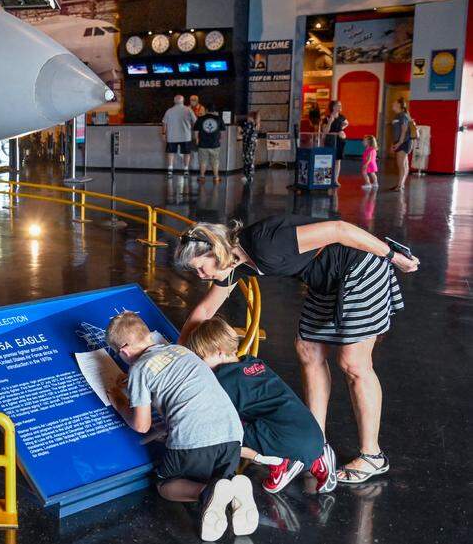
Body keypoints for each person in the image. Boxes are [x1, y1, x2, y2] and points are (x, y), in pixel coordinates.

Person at [174, 216, 419, 486]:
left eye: (200, 268)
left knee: (354, 363)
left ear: (215, 251)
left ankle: (372, 455)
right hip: (325, 278)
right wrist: (180, 356)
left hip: (360, 268)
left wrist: (393, 256)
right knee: (308, 350)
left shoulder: (265, 244)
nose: (201, 276)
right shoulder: (235, 264)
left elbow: (339, 229)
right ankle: (315, 447)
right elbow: (205, 311)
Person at [106, 312, 257, 541]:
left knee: (166, 485)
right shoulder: (182, 350)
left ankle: (206, 492)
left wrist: (118, 401)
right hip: (232, 435)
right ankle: (234, 491)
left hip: (195, 438)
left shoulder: (139, 369)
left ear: (125, 350)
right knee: (220, 482)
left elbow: (142, 425)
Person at [184, 317, 336, 494]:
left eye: (201, 358)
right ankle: (314, 460)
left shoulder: (222, 380)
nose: (201, 364)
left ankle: (281, 462)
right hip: (312, 432)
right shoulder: (253, 363)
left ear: (218, 352)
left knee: (222, 436)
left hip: (287, 438)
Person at [162, 95, 196, 176]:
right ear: (183, 101)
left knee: (171, 153)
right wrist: (194, 131)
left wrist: (163, 133)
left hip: (171, 136)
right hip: (185, 136)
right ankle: (186, 169)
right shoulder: (188, 110)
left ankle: (170, 169)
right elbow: (195, 121)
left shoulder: (169, 111)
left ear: (174, 101)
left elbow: (164, 123)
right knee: (187, 153)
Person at [389, 98, 413, 192]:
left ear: (399, 104)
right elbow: (395, 131)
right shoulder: (397, 115)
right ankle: (401, 184)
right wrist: (393, 143)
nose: (392, 104)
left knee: (401, 165)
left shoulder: (402, 115)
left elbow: (404, 129)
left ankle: (400, 185)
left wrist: (399, 143)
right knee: (404, 164)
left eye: (394, 102)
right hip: (400, 142)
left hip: (404, 142)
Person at [194, 111, 226, 183]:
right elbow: (223, 131)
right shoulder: (219, 118)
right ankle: (216, 177)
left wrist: (197, 139)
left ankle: (202, 177)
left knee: (203, 161)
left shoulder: (200, 118)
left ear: (206, 110)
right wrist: (220, 139)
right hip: (215, 144)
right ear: (214, 111)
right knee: (215, 161)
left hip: (203, 143)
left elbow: (196, 130)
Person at [324, 101, 348, 187]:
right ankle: (327, 178)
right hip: (330, 140)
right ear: (334, 107)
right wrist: (330, 121)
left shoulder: (342, 117)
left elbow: (346, 123)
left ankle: (335, 180)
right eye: (339, 105)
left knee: (338, 161)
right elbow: (325, 132)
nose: (341, 106)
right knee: (329, 160)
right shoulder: (327, 117)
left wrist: (342, 129)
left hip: (340, 141)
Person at [239, 113, 259, 183]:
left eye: (248, 117)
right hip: (251, 146)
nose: (247, 118)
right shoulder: (254, 125)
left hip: (248, 145)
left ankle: (247, 177)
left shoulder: (249, 125)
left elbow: (242, 133)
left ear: (251, 118)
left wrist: (240, 130)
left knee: (247, 161)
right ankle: (249, 177)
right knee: (250, 160)